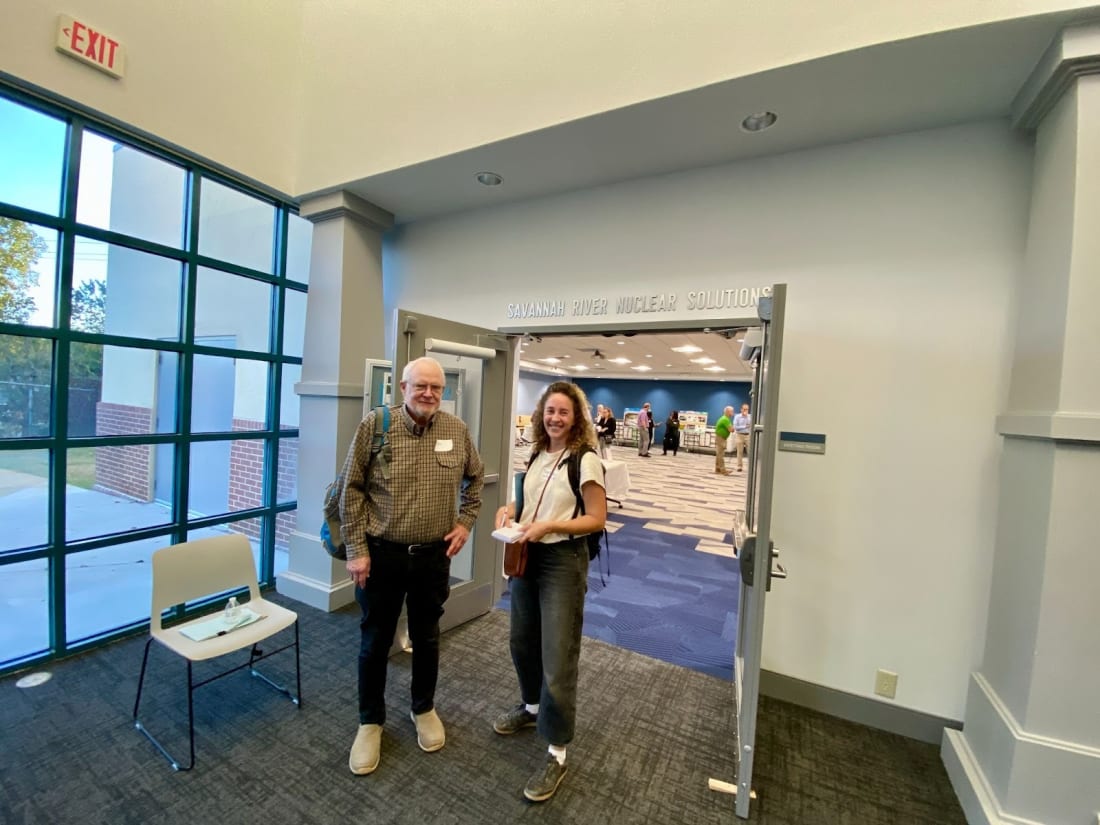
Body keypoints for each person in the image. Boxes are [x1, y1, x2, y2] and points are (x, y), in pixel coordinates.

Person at [340, 356, 485, 776]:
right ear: (402, 387)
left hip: (432, 557)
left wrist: (465, 522)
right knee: (375, 641)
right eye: (420, 385)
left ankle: (423, 708)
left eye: (436, 387)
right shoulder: (375, 426)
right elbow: (351, 488)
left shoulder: (456, 430)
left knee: (427, 637)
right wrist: (357, 548)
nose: (429, 394)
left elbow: (476, 478)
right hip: (381, 555)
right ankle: (370, 722)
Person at [493, 381, 607, 802]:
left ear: (576, 418)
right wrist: (509, 510)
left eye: (563, 412)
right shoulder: (538, 452)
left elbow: (596, 518)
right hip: (529, 554)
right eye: (550, 411)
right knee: (521, 641)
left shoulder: (586, 459)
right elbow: (528, 501)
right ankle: (531, 707)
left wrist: (550, 526)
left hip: (563, 560)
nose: (555, 418)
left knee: (558, 655)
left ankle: (557, 752)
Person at [714, 405, 733, 475]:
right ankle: (723, 470)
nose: (733, 413)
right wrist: (734, 428)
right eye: (732, 411)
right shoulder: (725, 419)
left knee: (719, 454)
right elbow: (731, 430)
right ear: (728, 412)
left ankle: (717, 469)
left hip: (720, 438)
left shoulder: (725, 418)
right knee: (720, 455)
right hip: (720, 438)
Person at [733, 403, 752, 472]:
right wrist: (745, 426)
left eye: (747, 409)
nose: (745, 411)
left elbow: (751, 426)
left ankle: (750, 467)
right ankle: (739, 466)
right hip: (739, 435)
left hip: (748, 435)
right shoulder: (737, 416)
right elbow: (735, 427)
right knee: (739, 452)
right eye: (744, 409)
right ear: (741, 409)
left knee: (750, 451)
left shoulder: (750, 416)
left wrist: (746, 417)